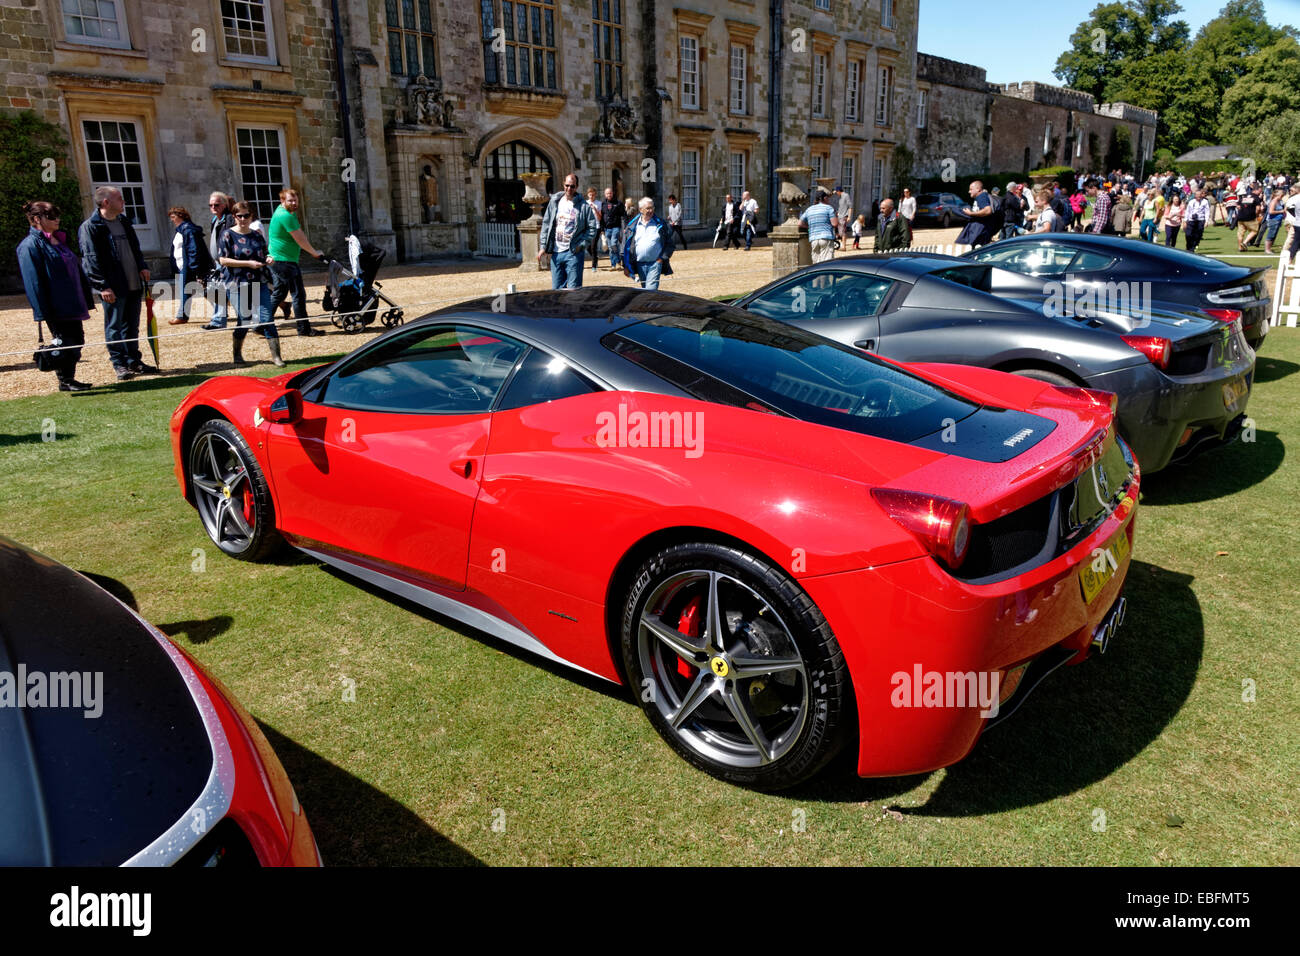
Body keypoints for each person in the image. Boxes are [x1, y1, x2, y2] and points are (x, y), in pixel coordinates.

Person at [17, 201, 95, 391]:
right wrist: (41, 311)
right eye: (51, 216)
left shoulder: (58, 240)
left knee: (77, 339)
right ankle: (65, 380)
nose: (57, 219)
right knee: (64, 341)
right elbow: (33, 280)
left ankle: (68, 378)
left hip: (72, 300)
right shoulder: (29, 245)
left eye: (57, 215)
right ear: (37, 219)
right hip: (55, 305)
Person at [78, 185, 154, 380]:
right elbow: (90, 258)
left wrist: (142, 266)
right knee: (114, 326)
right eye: (119, 199)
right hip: (113, 286)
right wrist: (102, 285)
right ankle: (119, 363)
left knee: (132, 325)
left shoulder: (124, 222)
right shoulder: (91, 227)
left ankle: (133, 360)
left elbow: (135, 248)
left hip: (133, 283)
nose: (124, 202)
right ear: (106, 202)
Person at [219, 201, 283, 368]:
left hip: (259, 281)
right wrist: (248, 264)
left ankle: (276, 357)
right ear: (234, 217)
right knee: (244, 319)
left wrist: (269, 259)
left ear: (251, 216)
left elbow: (265, 253)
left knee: (267, 318)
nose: (243, 219)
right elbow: (223, 260)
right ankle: (237, 354)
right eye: (239, 216)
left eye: (246, 215)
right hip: (237, 283)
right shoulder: (227, 235)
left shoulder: (256, 235)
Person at [266, 187, 325, 336]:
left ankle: (261, 324)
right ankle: (304, 329)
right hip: (284, 262)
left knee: (279, 293)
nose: (293, 203)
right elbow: (301, 239)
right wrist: (315, 253)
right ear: (282, 200)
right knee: (298, 295)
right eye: (290, 200)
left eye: (295, 200)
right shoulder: (286, 216)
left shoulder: (282, 212)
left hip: (278, 260)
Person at [538, 173, 597, 289]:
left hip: (573, 253)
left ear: (577, 187)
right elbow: (546, 224)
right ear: (563, 184)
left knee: (574, 291)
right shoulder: (555, 202)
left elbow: (592, 228)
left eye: (572, 186)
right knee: (557, 291)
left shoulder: (584, 206)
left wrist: (581, 245)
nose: (569, 188)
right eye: (567, 185)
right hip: (556, 253)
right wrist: (543, 247)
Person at [167, 207, 213, 326]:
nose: (172, 220)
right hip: (183, 266)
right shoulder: (181, 230)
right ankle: (221, 310)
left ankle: (182, 316)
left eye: (173, 217)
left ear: (181, 216)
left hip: (189, 266)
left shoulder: (188, 229)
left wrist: (194, 267)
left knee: (188, 290)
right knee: (200, 290)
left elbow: (193, 249)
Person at [620, 197, 675, 291]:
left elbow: (670, 244)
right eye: (648, 208)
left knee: (651, 290)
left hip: (655, 264)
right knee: (645, 292)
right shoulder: (632, 225)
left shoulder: (660, 224)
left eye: (652, 208)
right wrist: (625, 265)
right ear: (641, 209)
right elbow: (624, 246)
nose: (651, 210)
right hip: (639, 264)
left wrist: (661, 259)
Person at [201, 192, 234, 330]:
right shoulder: (215, 220)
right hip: (218, 263)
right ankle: (219, 320)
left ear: (224, 205)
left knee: (234, 291)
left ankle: (220, 320)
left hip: (228, 261)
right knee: (213, 289)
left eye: (216, 204)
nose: (213, 207)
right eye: (211, 205)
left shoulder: (230, 219)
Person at [798, 190, 838, 262]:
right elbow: (834, 224)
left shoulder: (809, 209)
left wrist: (809, 227)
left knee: (816, 264)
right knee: (826, 263)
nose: (828, 199)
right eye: (827, 198)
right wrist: (836, 216)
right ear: (824, 198)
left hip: (813, 238)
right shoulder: (828, 208)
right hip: (826, 237)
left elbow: (800, 223)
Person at [956, 180, 996, 248]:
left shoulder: (981, 196)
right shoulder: (981, 197)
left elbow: (987, 210)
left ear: (978, 189)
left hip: (981, 232)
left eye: (971, 189)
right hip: (981, 231)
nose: (969, 191)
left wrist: (971, 213)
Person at [597, 186, 624, 270]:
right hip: (607, 228)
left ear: (613, 193)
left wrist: (624, 227)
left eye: (610, 193)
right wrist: (602, 229)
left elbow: (623, 215)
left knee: (613, 244)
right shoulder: (603, 204)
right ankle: (613, 265)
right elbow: (601, 217)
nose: (609, 194)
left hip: (616, 227)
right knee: (610, 248)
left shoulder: (618, 203)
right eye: (607, 193)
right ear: (605, 194)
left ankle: (618, 261)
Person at [1185, 188, 1211, 253]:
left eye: (1200, 195)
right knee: (1188, 234)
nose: (1199, 196)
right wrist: (1185, 220)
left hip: (1200, 220)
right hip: (1191, 220)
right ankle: (1188, 246)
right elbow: (1187, 211)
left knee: (1198, 235)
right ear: (1195, 195)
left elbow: (1207, 211)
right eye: (1197, 195)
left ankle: (1192, 248)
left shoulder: (1205, 202)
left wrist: (1206, 221)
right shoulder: (1191, 202)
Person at [1263, 184, 1286, 254]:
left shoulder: (1279, 201)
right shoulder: (1274, 201)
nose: (1282, 197)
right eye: (1282, 196)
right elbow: (1271, 211)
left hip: (1277, 220)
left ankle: (1269, 248)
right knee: (1271, 234)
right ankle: (1267, 249)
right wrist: (1281, 211)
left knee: (1273, 235)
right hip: (1273, 220)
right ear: (1278, 195)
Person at [1236, 185, 1260, 251]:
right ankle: (1244, 243)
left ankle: (1240, 248)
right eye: (1259, 191)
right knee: (1254, 231)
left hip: (1240, 217)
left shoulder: (1244, 196)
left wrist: (1240, 208)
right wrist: (1257, 215)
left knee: (1240, 233)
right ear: (1255, 190)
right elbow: (1258, 208)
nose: (1260, 192)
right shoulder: (1256, 197)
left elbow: (1237, 204)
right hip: (1250, 217)